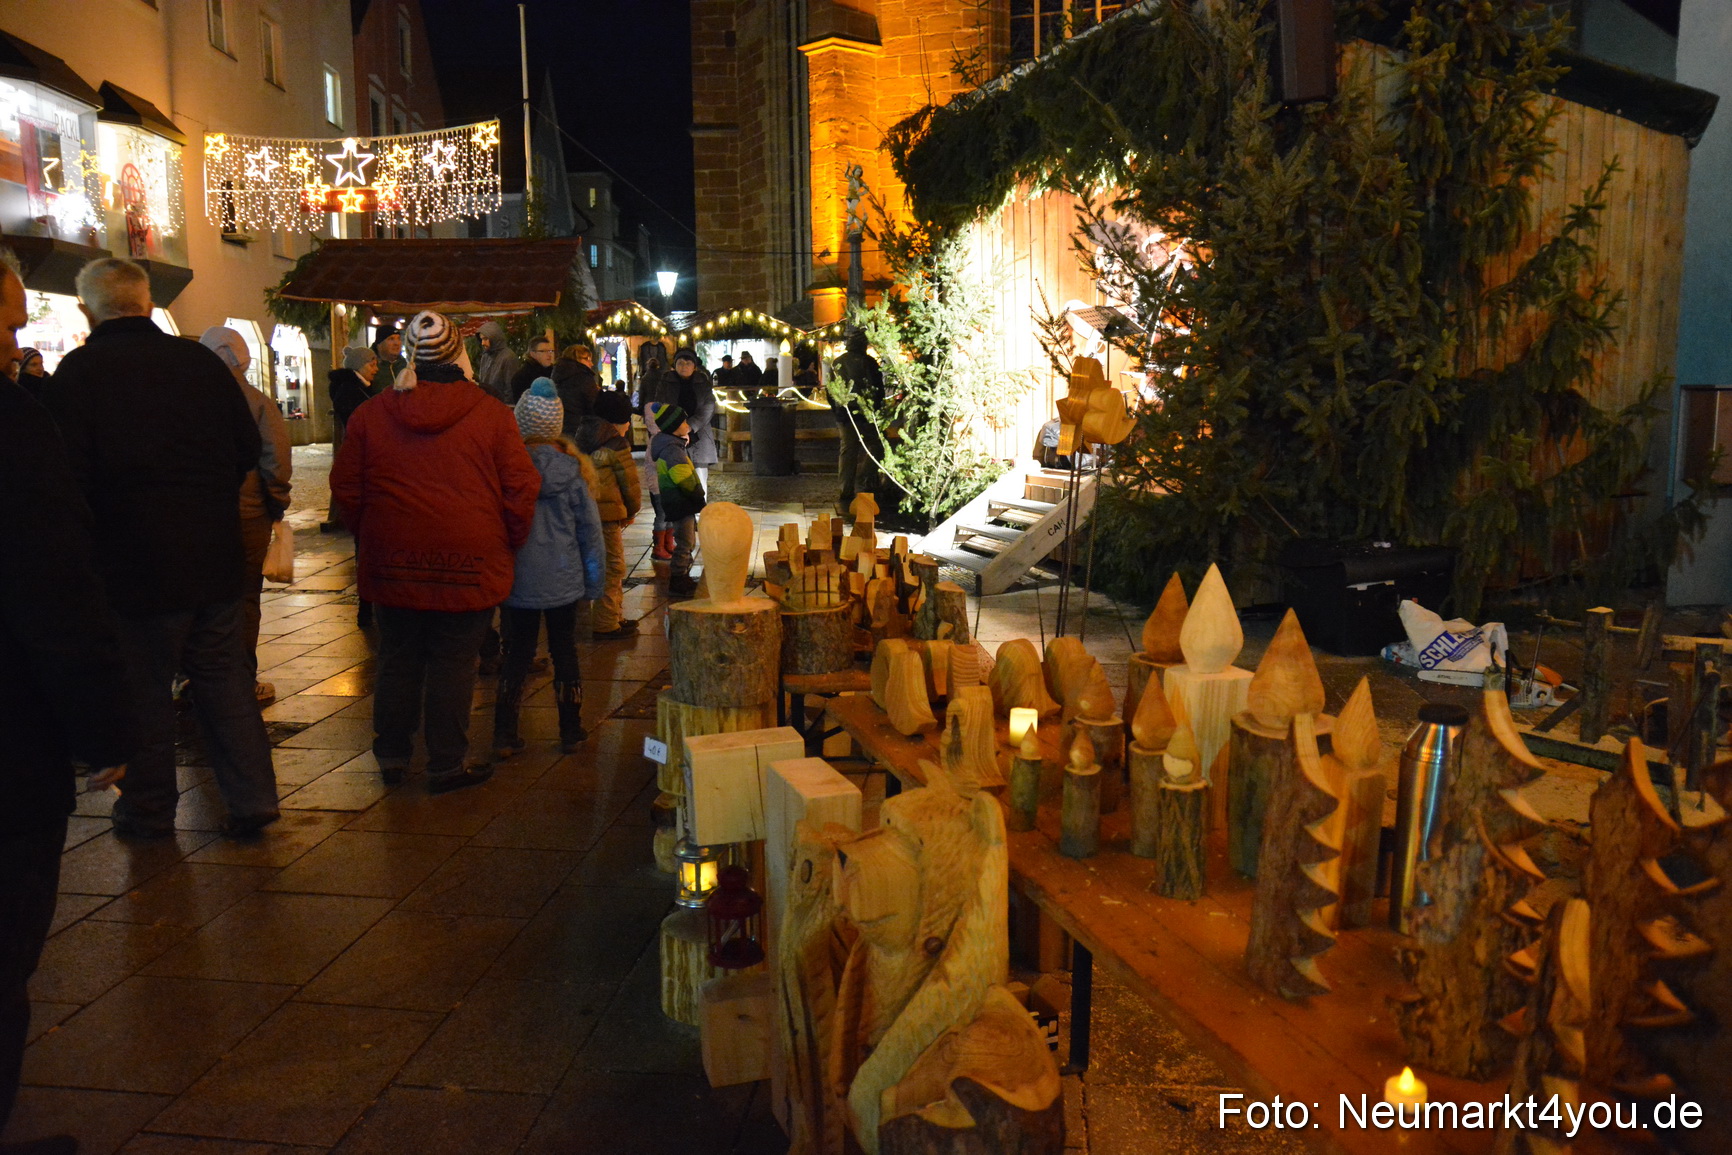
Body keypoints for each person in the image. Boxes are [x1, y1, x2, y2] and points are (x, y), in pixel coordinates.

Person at [43, 257, 278, 839]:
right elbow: (246, 448)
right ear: (147, 303)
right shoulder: (199, 363)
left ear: (86, 309)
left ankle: (148, 808)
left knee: (144, 690)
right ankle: (253, 799)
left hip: (135, 568)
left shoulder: (78, 374)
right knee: (223, 680)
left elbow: (65, 476)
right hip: (215, 558)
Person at [0, 249, 133, 1155]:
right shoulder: (12, 425)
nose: (15, 341)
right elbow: (51, 585)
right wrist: (104, 728)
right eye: (4, 322)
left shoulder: (56, 396)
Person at [331, 309, 539, 794]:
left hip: (393, 557)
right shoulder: (491, 415)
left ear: (410, 356)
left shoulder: (372, 414)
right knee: (453, 659)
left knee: (397, 656)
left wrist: (374, 535)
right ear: (457, 355)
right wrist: (509, 540)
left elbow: (346, 486)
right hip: (469, 558)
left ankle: (393, 755)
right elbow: (520, 487)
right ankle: (445, 762)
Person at [493, 379, 604, 759]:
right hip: (563, 578)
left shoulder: (505, 469)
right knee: (564, 652)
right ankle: (570, 729)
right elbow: (591, 534)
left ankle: (505, 733)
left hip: (518, 580)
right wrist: (594, 583)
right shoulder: (573, 472)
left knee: (517, 655)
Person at [199, 326, 294, 703]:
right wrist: (275, 502)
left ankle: (196, 677)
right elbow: (275, 458)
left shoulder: (185, 397)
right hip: (247, 513)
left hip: (197, 515)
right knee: (244, 597)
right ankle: (240, 679)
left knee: (201, 594)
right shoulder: (256, 401)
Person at [575, 390, 643, 639]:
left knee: (586, 565)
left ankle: (594, 619)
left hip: (583, 514)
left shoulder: (581, 436)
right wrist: (632, 510)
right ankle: (606, 622)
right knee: (613, 567)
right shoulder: (616, 443)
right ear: (619, 421)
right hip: (607, 517)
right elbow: (630, 484)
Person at [648, 401, 705, 598]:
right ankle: (678, 578)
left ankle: (682, 576)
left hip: (678, 501)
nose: (686, 424)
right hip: (680, 501)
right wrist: (698, 496)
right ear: (673, 427)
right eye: (682, 421)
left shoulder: (672, 445)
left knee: (686, 539)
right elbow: (684, 479)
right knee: (685, 541)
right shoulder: (672, 450)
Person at [830, 329, 886, 514]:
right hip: (865, 413)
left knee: (847, 450)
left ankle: (845, 488)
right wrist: (876, 408)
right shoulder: (869, 362)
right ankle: (865, 478)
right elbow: (878, 389)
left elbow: (830, 390)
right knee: (876, 446)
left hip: (844, 414)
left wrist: (837, 409)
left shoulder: (837, 363)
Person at [654, 348, 718, 488]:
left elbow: (708, 407)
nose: (684, 366)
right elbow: (662, 406)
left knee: (699, 480)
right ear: (675, 365)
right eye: (680, 363)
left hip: (699, 435)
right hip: (673, 434)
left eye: (688, 363)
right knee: (676, 477)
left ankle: (699, 509)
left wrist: (689, 427)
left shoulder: (703, 383)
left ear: (694, 366)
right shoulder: (665, 383)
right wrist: (678, 428)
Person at [551, 343, 601, 431]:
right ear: (577, 359)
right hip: (580, 429)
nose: (591, 363)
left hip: (560, 427)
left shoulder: (558, 374)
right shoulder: (584, 378)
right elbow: (594, 406)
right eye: (587, 359)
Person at [474, 320, 519, 404]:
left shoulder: (508, 357)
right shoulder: (486, 356)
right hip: (488, 404)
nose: (483, 343)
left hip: (501, 406)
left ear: (494, 338)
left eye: (486, 339)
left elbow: (510, 388)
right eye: (481, 339)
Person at [509, 335, 556, 401]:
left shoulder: (555, 373)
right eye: (543, 351)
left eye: (550, 351)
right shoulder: (522, 377)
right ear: (533, 354)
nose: (549, 354)